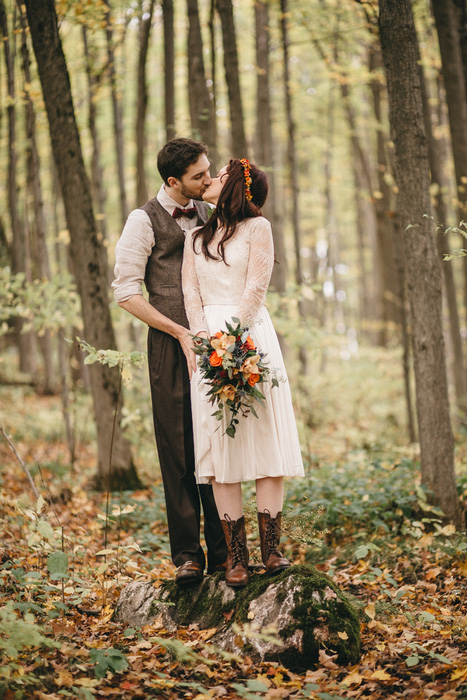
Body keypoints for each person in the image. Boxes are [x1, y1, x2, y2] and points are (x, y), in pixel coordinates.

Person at [181, 158, 304, 588]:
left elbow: (257, 284)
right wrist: (204, 340)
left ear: (236, 187)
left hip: (251, 337)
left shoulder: (259, 229)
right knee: (220, 451)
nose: (210, 179)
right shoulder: (195, 237)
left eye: (220, 175)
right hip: (208, 345)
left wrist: (234, 339)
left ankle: (272, 551)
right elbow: (189, 292)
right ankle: (237, 557)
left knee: (265, 437)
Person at [112, 138, 227, 585]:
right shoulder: (142, 221)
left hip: (215, 345)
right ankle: (188, 556)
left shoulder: (210, 213)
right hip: (169, 345)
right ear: (172, 181)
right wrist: (178, 331)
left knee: (218, 446)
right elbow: (125, 293)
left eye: (208, 170)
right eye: (199, 175)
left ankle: (226, 554)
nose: (208, 179)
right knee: (178, 448)